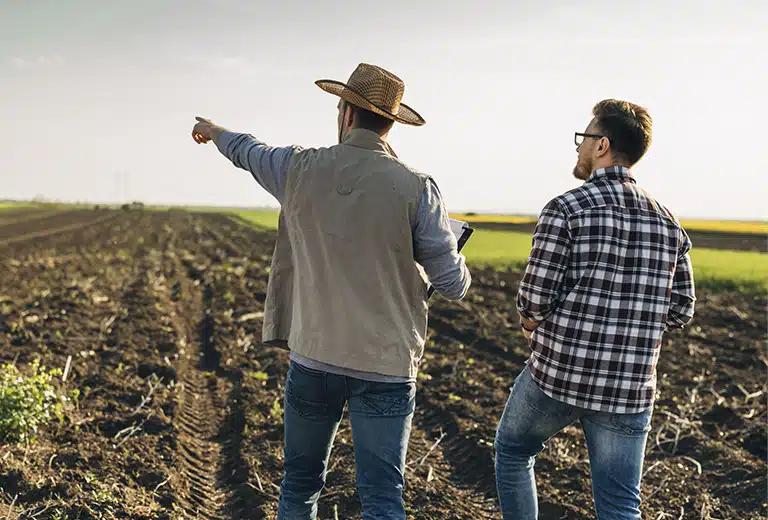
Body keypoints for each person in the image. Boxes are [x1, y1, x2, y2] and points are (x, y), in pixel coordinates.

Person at [191, 62, 471, 520]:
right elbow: (452, 285)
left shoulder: (298, 167)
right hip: (386, 366)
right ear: (391, 122)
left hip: (314, 358)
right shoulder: (418, 188)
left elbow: (247, 150)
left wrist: (212, 129)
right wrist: (453, 252)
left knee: (300, 487)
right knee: (382, 498)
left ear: (345, 114)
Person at [494, 99, 696, 519]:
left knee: (513, 451)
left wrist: (532, 324)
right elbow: (680, 309)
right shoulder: (669, 223)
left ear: (602, 145)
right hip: (629, 388)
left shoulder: (566, 208)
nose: (579, 148)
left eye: (583, 139)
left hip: (559, 375)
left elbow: (534, 298)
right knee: (621, 503)